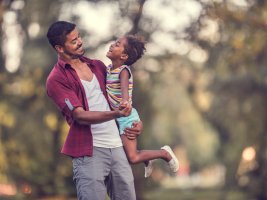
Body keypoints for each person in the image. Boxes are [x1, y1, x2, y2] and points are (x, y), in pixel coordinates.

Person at [46, 21, 143, 200]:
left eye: (79, 37)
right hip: (88, 153)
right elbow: (79, 115)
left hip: (117, 147)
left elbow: (119, 101)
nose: (80, 42)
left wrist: (135, 122)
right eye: (74, 41)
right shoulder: (56, 79)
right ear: (60, 48)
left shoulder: (98, 66)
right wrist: (117, 114)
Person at [105, 35, 179, 178]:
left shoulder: (123, 71)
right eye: (114, 43)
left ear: (124, 55)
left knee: (132, 157)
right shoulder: (108, 69)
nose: (112, 45)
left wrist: (125, 103)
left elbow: (125, 92)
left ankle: (164, 153)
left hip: (126, 117)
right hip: (118, 117)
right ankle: (148, 158)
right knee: (127, 154)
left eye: (117, 44)